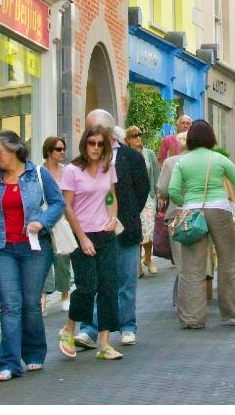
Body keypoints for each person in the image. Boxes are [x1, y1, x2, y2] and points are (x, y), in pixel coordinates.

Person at [0, 131, 65, 381]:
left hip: (35, 249)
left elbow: (58, 203)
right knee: (9, 305)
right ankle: (9, 363)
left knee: (30, 303)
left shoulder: (38, 174)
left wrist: (41, 221)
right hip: (3, 249)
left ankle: (34, 353)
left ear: (14, 150)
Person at [168, 119, 235, 329]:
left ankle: (192, 318)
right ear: (211, 137)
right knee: (228, 261)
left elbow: (173, 190)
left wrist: (186, 205)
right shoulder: (218, 159)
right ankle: (234, 313)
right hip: (220, 210)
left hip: (193, 212)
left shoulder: (182, 162)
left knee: (192, 267)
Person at [75, 109, 149, 349]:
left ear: (107, 132)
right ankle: (90, 329)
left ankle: (127, 326)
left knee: (126, 280)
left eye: (93, 129)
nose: (90, 136)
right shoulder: (86, 162)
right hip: (94, 231)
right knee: (96, 282)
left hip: (123, 229)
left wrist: (124, 215)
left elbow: (141, 191)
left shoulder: (131, 157)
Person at [58, 125, 122, 360]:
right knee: (87, 286)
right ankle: (69, 329)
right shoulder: (72, 171)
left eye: (100, 144)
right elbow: (67, 207)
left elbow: (110, 195)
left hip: (105, 233)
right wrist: (82, 238)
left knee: (108, 287)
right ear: (85, 144)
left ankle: (104, 343)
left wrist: (113, 217)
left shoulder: (108, 168)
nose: (95, 148)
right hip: (81, 234)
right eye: (91, 143)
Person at [40, 136, 72, 312]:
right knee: (43, 258)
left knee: (62, 259)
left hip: (62, 220)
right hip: (44, 219)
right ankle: (43, 296)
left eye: (63, 149)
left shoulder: (66, 171)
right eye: (58, 149)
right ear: (49, 152)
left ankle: (65, 293)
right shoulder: (38, 171)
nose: (62, 152)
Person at [156, 131, 188, 305]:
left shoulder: (170, 162)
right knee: (198, 260)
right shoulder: (206, 160)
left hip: (176, 214)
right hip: (201, 214)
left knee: (181, 260)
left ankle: (184, 301)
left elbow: (162, 189)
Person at [124, 126, 160, 276]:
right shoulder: (126, 155)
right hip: (132, 198)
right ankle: (137, 264)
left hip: (148, 197)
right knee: (137, 230)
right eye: (134, 136)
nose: (138, 138)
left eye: (139, 135)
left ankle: (149, 259)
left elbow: (156, 175)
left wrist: (157, 195)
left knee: (149, 230)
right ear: (128, 140)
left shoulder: (149, 153)